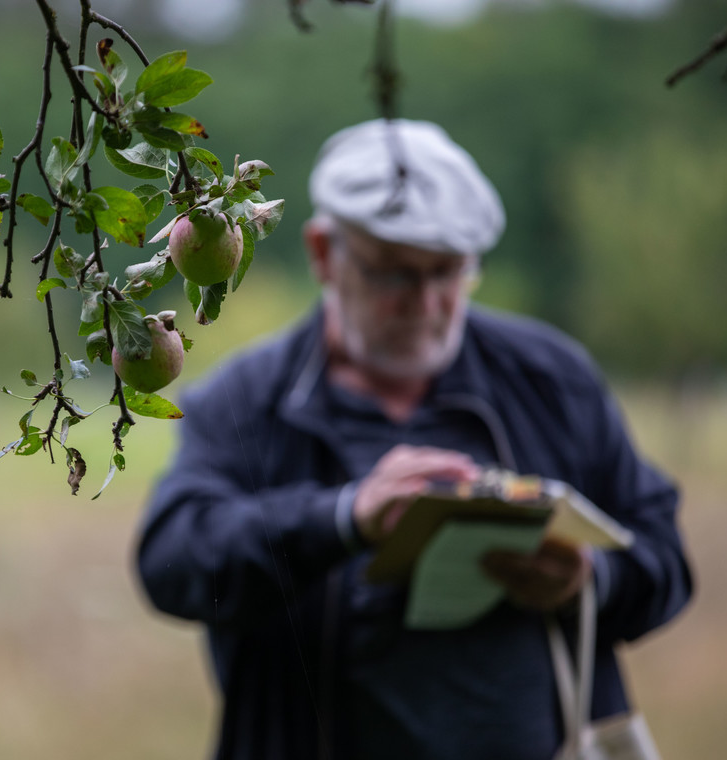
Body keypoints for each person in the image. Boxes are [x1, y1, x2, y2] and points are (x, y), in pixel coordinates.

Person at [134, 119, 693, 760]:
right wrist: (343, 517)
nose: (427, 303)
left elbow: (664, 554)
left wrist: (589, 578)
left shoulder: (550, 377)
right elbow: (171, 561)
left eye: (449, 273)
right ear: (323, 253)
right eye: (394, 274)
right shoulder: (247, 399)